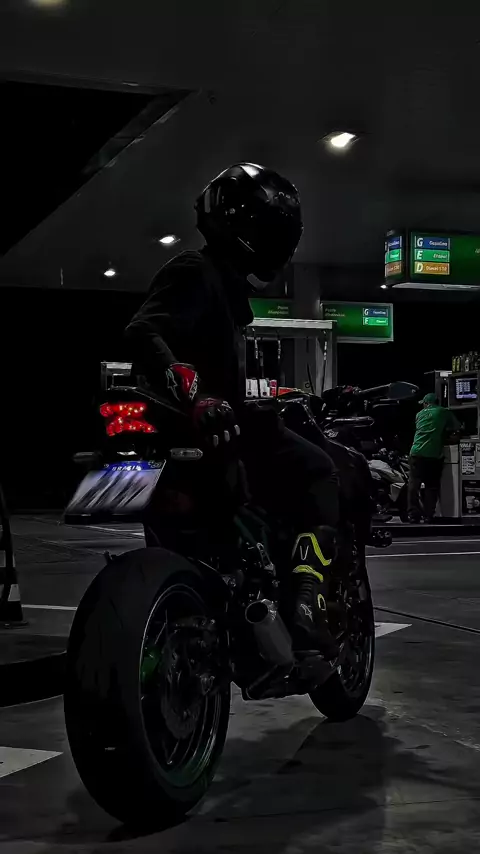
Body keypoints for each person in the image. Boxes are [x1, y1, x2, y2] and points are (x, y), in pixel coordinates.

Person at [125, 162, 340, 660]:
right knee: (319, 469)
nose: (274, 242)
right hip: (209, 427)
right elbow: (143, 331)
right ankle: (307, 601)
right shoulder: (196, 271)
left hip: (201, 429)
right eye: (268, 229)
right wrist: (197, 397)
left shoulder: (224, 285)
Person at [408, 393, 460, 523]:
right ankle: (428, 515)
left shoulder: (419, 414)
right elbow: (457, 427)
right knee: (431, 486)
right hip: (433, 454)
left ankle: (413, 515)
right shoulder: (444, 411)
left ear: (426, 403)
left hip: (416, 452)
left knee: (414, 485)